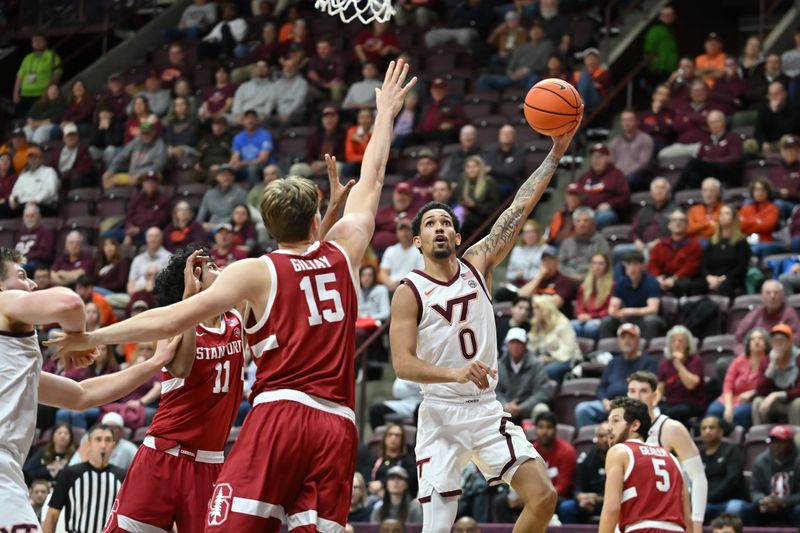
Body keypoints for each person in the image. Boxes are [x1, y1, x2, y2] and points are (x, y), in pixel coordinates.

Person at [48, 59, 417, 532]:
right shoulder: (344, 251)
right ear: (314, 220)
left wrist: (89, 335)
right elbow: (374, 178)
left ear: (267, 226)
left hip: (279, 414)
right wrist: (384, 112)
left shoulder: (254, 272)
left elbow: (166, 320)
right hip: (337, 422)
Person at [390, 114, 581, 533]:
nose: (440, 227)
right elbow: (403, 365)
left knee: (543, 497)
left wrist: (555, 155)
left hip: (485, 409)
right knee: (437, 528)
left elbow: (519, 208)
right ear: (418, 241)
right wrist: (455, 372)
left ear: (457, 238)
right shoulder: (409, 290)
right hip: (439, 413)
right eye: (430, 224)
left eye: (446, 223)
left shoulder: (478, 262)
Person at [0, 246, 179, 531]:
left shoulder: (12, 361)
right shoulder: (3, 303)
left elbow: (82, 395)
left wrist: (153, 363)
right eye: (22, 276)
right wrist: (78, 338)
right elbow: (69, 303)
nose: (32, 284)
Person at [102, 245, 246, 532]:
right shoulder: (171, 330)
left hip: (209, 462)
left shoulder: (235, 318)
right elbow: (181, 368)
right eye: (212, 268)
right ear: (193, 280)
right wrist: (190, 303)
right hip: (163, 457)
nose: (221, 270)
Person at [627, 371, 708, 533]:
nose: (637, 396)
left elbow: (698, 477)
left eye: (643, 391)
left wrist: (697, 523)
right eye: (632, 391)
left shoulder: (671, 429)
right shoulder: (623, 431)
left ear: (655, 396)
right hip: (634, 518)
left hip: (668, 516)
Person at [599, 397, 690, 533]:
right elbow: (687, 517)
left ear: (635, 425)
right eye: (609, 421)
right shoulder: (672, 457)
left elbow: (611, 508)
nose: (609, 427)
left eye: (616, 421)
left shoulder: (619, 451)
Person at [42, 424, 123, 533]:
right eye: (98, 439)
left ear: (113, 445)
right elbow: (52, 515)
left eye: (108, 440)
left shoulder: (123, 477)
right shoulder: (70, 473)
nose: (103, 445)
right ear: (89, 444)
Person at [574, 323, 658, 428]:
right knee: (583, 409)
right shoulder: (614, 362)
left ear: (638, 340)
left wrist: (619, 404)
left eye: (631, 337)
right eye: (623, 337)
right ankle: (599, 440)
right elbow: (601, 387)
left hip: (632, 406)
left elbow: (646, 391)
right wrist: (605, 401)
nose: (627, 341)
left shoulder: (648, 362)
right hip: (609, 405)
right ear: (618, 341)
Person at [707, 327, 769, 430]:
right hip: (731, 398)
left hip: (751, 400)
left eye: (760, 338)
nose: (757, 341)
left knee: (739, 414)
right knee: (713, 411)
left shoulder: (769, 362)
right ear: (748, 343)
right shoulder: (739, 360)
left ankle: (737, 442)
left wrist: (753, 393)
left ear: (766, 343)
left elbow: (768, 385)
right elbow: (728, 383)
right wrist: (728, 406)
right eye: (753, 339)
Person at [699, 415, 754, 523]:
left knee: (734, 508)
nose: (707, 431)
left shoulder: (731, 450)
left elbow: (732, 480)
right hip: (708, 502)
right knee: (693, 511)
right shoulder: (699, 455)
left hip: (731, 500)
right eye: (704, 428)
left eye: (711, 427)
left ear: (721, 431)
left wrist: (709, 497)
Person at [598, 250, 665, 340]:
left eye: (635, 264)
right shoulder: (621, 283)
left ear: (642, 266)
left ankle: (646, 350)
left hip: (645, 318)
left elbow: (653, 310)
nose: (632, 268)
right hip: (628, 318)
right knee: (607, 321)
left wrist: (630, 311)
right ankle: (608, 351)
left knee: (650, 321)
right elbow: (613, 304)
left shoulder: (652, 282)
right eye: (629, 265)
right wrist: (613, 311)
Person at [690, 204, 750, 297]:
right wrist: (709, 277)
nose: (722, 216)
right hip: (712, 278)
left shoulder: (741, 242)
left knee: (725, 286)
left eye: (727, 213)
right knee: (695, 285)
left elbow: (741, 267)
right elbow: (703, 264)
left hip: (731, 279)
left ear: (734, 218)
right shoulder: (712, 241)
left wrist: (721, 279)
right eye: (721, 213)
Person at [495, 327, 552, 423]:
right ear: (507, 345)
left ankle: (536, 438)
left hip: (527, 408)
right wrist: (505, 405)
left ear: (525, 345)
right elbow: (495, 390)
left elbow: (543, 392)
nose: (515, 346)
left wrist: (522, 407)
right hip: (504, 408)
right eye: (512, 343)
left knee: (541, 409)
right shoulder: (499, 365)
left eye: (519, 343)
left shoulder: (536, 364)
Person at [558, 422, 609, 524]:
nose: (605, 439)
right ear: (596, 438)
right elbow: (578, 488)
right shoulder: (587, 458)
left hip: (609, 504)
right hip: (589, 503)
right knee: (566, 508)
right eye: (601, 436)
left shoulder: (620, 456)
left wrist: (597, 499)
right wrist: (581, 497)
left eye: (608, 436)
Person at [677, 110, 743, 190]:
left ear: (723, 122)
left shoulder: (733, 138)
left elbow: (735, 157)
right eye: (711, 123)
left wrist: (713, 161)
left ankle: (677, 190)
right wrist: (708, 163)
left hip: (727, 171)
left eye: (716, 122)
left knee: (693, 162)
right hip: (710, 172)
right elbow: (700, 159)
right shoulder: (705, 141)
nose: (714, 125)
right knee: (694, 176)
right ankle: (696, 199)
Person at [647, 208, 703, 296]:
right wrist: (658, 277)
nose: (678, 222)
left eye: (681, 220)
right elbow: (653, 264)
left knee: (686, 284)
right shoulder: (660, 245)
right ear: (669, 225)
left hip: (681, 279)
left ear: (687, 225)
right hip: (663, 278)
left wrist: (674, 279)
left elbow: (690, 267)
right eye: (674, 220)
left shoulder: (694, 245)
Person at [734, 280, 800, 353]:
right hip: (753, 357)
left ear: (782, 296)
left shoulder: (790, 315)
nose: (772, 296)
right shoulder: (756, 314)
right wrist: (744, 355)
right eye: (768, 293)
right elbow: (738, 339)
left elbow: (796, 342)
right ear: (762, 296)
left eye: (776, 293)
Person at [752, 323, 800, 425]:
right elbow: (760, 390)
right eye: (775, 340)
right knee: (757, 402)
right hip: (775, 404)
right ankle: (761, 439)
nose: (778, 343)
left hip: (792, 401)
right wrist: (771, 367)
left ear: (790, 342)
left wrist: (776, 395)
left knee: (798, 404)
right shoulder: (766, 360)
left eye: (782, 340)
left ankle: (796, 438)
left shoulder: (798, 359)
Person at [574, 143, 630, 229]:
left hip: (604, 212)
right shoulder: (585, 176)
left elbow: (625, 196)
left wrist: (610, 204)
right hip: (585, 211)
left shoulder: (616, 175)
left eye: (600, 156)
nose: (596, 160)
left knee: (605, 217)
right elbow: (576, 194)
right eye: (594, 157)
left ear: (608, 158)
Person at [753, 425, 800, 527]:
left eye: (781, 441)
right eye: (773, 441)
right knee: (744, 509)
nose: (776, 445)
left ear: (790, 442)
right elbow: (755, 490)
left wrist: (782, 502)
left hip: (792, 506)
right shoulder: (760, 461)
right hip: (767, 506)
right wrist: (762, 500)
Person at [657, 325, 705, 426]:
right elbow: (660, 389)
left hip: (692, 403)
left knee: (672, 413)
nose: (676, 344)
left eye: (680, 341)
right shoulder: (665, 363)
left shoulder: (695, 360)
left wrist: (679, 365)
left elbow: (691, 385)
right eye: (673, 341)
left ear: (687, 344)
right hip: (671, 404)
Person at [527, 295, 583, 382]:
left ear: (546, 309)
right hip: (545, 360)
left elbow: (567, 351)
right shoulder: (538, 324)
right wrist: (533, 332)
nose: (534, 311)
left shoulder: (562, 323)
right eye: (533, 308)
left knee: (548, 370)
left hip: (568, 360)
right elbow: (531, 350)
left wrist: (549, 359)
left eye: (537, 308)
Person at [14, 33, 63, 116]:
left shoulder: (53, 56)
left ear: (45, 42)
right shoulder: (27, 58)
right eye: (34, 41)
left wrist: (50, 92)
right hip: (25, 95)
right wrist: (15, 93)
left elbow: (56, 75)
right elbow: (20, 76)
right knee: (24, 120)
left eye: (39, 40)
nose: (37, 43)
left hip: (42, 95)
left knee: (40, 118)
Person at [557, 207, 610, 282]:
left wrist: (587, 277)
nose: (581, 224)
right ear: (574, 224)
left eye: (586, 221)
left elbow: (606, 265)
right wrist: (572, 274)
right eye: (578, 221)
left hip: (593, 279)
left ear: (592, 223)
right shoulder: (567, 242)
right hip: (570, 279)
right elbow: (560, 265)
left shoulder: (601, 242)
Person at [367, 422, 418, 498]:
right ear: (384, 438)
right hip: (373, 497)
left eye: (397, 435)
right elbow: (364, 478)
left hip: (400, 500)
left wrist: (382, 483)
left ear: (402, 439)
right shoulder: (375, 459)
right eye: (390, 434)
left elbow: (411, 480)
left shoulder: (408, 461)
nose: (393, 437)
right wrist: (372, 487)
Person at [453, 155, 500, 239]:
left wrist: (474, 205)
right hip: (466, 215)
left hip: (484, 218)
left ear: (481, 168)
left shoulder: (489, 182)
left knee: (468, 223)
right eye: (468, 167)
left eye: (474, 166)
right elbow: (457, 198)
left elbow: (493, 208)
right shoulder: (462, 182)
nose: (471, 169)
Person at [517, 246, 576, 311]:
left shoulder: (564, 281)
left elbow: (556, 303)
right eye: (544, 260)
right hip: (535, 317)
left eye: (550, 260)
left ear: (557, 262)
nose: (546, 262)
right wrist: (540, 276)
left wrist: (533, 298)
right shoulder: (537, 280)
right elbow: (521, 296)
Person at [608, 109, 654, 191]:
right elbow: (611, 163)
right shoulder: (614, 142)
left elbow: (643, 164)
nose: (626, 123)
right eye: (624, 120)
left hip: (637, 176)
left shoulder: (646, 139)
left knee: (631, 179)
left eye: (630, 119)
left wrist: (624, 175)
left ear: (637, 121)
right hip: (619, 176)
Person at [740, 177, 783, 259]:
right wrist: (757, 222)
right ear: (752, 192)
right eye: (756, 190)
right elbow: (740, 225)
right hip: (747, 242)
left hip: (766, 242)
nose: (759, 193)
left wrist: (748, 223)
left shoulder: (773, 208)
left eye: (763, 190)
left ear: (767, 192)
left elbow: (767, 225)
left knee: (753, 249)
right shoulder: (746, 208)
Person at [572, 253, 613, 339]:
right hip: (585, 318)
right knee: (571, 325)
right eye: (594, 263)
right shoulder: (584, 286)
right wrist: (581, 314)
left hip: (600, 319)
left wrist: (592, 316)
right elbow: (579, 305)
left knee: (590, 328)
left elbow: (609, 309)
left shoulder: (612, 285)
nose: (597, 266)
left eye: (601, 263)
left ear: (607, 266)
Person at [9, 144, 59, 215]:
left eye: (36, 157)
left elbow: (50, 190)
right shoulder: (23, 176)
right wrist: (13, 200)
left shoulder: (49, 171)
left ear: (41, 159)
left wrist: (35, 200)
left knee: (30, 209)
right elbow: (16, 191)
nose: (33, 160)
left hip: (43, 204)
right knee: (3, 208)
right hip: (24, 204)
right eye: (31, 158)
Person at [229, 110, 274, 184]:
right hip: (243, 167)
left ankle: (253, 192)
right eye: (247, 118)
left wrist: (242, 164)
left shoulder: (265, 135)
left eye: (253, 118)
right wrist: (232, 165)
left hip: (263, 167)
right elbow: (235, 156)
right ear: (243, 121)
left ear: (257, 120)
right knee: (226, 171)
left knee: (252, 168)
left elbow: (263, 159)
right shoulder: (238, 137)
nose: (250, 120)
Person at [379, 220, 424, 291]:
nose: (404, 233)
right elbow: (382, 273)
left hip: (412, 287)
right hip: (392, 286)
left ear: (413, 232)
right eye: (401, 229)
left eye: (407, 229)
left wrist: (405, 284)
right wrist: (390, 284)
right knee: (380, 290)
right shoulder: (390, 250)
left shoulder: (420, 250)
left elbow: (423, 274)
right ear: (396, 233)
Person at [127, 227, 171, 294]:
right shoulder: (137, 259)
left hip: (157, 294)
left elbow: (170, 284)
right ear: (146, 239)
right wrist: (133, 293)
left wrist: (157, 274)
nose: (153, 239)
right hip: (135, 294)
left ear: (161, 239)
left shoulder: (169, 258)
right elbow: (130, 283)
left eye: (156, 236)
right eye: (150, 236)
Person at [15, 202, 55, 273]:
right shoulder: (20, 233)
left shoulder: (45, 232)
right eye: (27, 216)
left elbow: (46, 254)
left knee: (19, 268)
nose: (29, 218)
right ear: (23, 218)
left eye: (32, 215)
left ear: (39, 217)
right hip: (21, 262)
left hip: (37, 263)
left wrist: (26, 257)